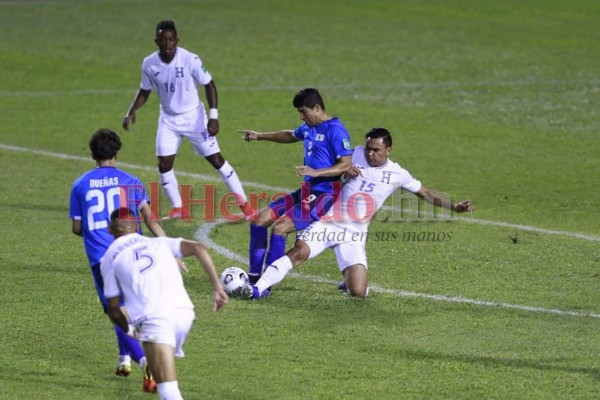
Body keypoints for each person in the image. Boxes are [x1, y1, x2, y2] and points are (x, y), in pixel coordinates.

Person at [242, 127, 474, 299]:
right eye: (369, 148)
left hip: (355, 233)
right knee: (299, 253)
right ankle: (258, 289)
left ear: (388, 150)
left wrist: (454, 207)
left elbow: (425, 192)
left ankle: (348, 281)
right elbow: (331, 168)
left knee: (359, 293)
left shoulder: (398, 174)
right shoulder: (354, 155)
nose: (371, 154)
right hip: (328, 222)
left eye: (377, 150)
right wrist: (342, 174)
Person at [122, 20, 253, 220]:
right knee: (164, 164)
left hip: (194, 119)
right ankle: (178, 207)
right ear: (156, 41)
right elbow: (145, 90)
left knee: (217, 160)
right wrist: (131, 110)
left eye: (171, 39)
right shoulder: (149, 63)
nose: (167, 44)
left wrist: (213, 116)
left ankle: (245, 206)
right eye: (163, 40)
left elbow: (209, 84)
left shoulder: (190, 59)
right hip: (168, 120)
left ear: (177, 40)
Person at [69, 129, 168, 385]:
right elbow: (149, 217)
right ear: (117, 153)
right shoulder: (131, 181)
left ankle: (145, 361)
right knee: (125, 307)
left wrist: (95, 231)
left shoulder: (79, 185)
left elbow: (77, 228)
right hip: (134, 255)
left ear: (93, 154)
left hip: (102, 259)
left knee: (115, 310)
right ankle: (124, 358)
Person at [101, 208, 228, 400]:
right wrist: (217, 287)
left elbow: (114, 309)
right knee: (163, 373)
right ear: (136, 226)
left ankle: (153, 362)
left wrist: (130, 331)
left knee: (168, 390)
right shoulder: (159, 242)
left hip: (154, 319)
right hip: (184, 313)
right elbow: (199, 248)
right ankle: (155, 362)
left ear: (109, 229)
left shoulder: (109, 258)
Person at [239, 88, 353, 284]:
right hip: (307, 191)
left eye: (303, 111)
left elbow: (346, 164)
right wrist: (259, 136)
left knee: (280, 227)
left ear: (317, 108)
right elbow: (290, 135)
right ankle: (254, 278)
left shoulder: (335, 130)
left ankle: (265, 285)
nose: (301, 116)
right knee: (259, 220)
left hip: (324, 195)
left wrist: (316, 172)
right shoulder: (309, 127)